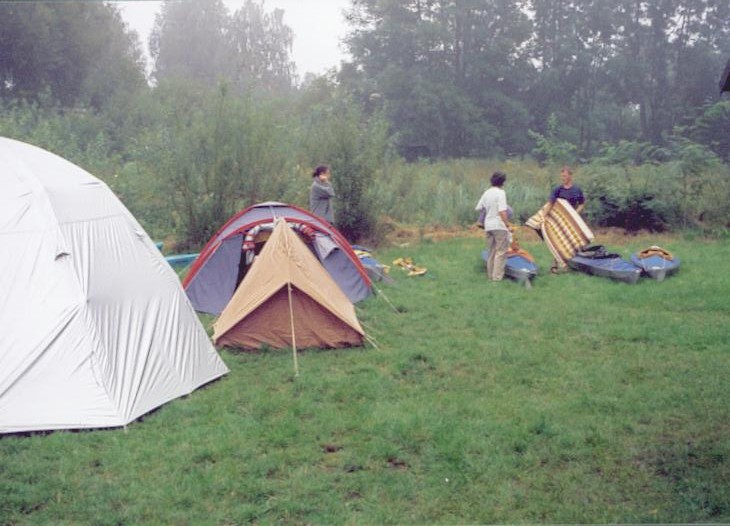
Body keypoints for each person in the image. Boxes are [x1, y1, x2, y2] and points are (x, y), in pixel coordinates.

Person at [475, 171, 512, 282]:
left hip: (488, 225)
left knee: (491, 252)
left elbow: (479, 207)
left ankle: (490, 276)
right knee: (501, 252)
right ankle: (497, 278)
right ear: (503, 182)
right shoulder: (501, 193)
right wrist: (507, 224)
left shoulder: (487, 193)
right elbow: (502, 211)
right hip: (499, 226)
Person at [548, 166, 585, 273]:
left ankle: (570, 265)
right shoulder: (558, 189)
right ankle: (554, 266)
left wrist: (575, 213)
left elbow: (582, 204)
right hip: (559, 219)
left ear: (570, 176)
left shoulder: (577, 189)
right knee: (558, 242)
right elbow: (551, 203)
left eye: (564, 175)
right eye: (561, 176)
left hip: (572, 220)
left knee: (572, 242)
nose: (562, 177)